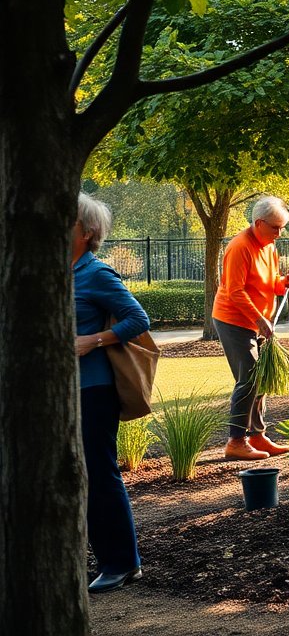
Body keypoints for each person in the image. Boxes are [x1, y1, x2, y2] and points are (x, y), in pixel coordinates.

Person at [72, 193, 151, 592]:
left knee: (100, 475)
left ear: (86, 233)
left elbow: (139, 318)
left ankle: (122, 563)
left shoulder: (96, 274)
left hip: (94, 389)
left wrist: (94, 340)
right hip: (61, 393)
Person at [213, 195, 289, 461]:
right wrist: (260, 320)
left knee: (260, 379)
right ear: (259, 223)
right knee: (249, 379)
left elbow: (268, 281)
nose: (279, 233)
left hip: (258, 323)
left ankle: (257, 436)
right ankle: (235, 441)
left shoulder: (269, 247)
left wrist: (282, 282)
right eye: (275, 227)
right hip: (234, 321)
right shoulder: (240, 247)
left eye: (282, 227)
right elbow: (235, 291)